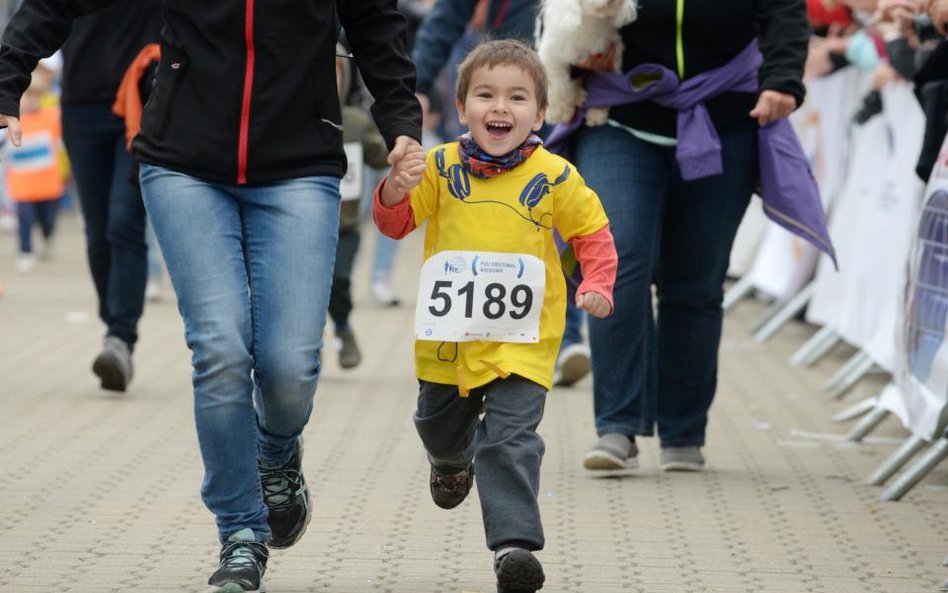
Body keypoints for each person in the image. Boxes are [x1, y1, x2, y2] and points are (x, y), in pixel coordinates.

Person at [0, 2, 422, 593]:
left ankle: (276, 454)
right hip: (183, 163)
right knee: (220, 348)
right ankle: (240, 532)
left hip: (300, 163)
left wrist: (401, 120)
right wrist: (8, 77)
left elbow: (376, 21)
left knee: (289, 367)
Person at [374, 39, 616, 593]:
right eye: (485, 95)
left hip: (523, 342)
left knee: (510, 441)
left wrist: (598, 284)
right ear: (462, 108)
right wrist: (393, 188)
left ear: (540, 112)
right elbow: (393, 223)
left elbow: (593, 232)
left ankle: (514, 548)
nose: (500, 108)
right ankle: (450, 460)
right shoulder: (438, 167)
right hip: (448, 345)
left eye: (516, 97)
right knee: (436, 424)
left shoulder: (556, 176)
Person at [555, 0, 812, 472]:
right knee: (616, 263)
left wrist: (782, 80)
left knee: (693, 283)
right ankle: (617, 426)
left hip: (724, 117)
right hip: (618, 118)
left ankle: (683, 431)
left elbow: (785, 12)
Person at [331, 43, 392, 369]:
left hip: (345, 226)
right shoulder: (292, 122)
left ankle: (342, 328)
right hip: (303, 224)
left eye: (334, 75)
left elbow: (378, 153)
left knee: (338, 280)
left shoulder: (354, 121)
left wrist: (401, 143)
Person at [5, 71, 64, 273]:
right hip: (22, 186)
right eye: (25, 97)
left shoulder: (52, 118)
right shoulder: (9, 121)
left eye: (35, 97)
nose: (30, 101)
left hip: (48, 185)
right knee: (25, 218)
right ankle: (25, 251)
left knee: (48, 220)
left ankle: (48, 237)